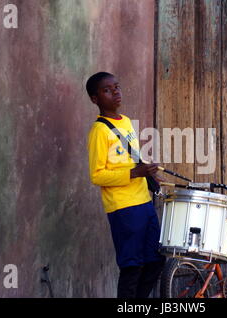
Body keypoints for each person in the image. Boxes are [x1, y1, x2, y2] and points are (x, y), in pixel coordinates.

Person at [86, 72, 166, 298]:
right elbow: (97, 176)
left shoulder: (127, 122)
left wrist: (148, 176)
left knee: (155, 261)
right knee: (132, 266)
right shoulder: (99, 131)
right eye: (107, 90)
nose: (115, 92)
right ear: (95, 99)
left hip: (143, 202)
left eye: (117, 87)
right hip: (122, 207)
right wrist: (133, 173)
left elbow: (132, 157)